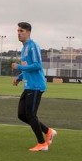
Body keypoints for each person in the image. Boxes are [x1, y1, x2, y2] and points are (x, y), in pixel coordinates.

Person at [11, 22, 56, 151]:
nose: (19, 33)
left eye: (22, 31)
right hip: (28, 85)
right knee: (22, 114)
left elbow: (37, 65)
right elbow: (27, 67)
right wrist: (19, 78)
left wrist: (19, 67)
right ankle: (48, 131)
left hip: (36, 85)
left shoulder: (33, 46)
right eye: (18, 31)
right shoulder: (24, 48)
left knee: (31, 114)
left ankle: (42, 144)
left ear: (29, 32)